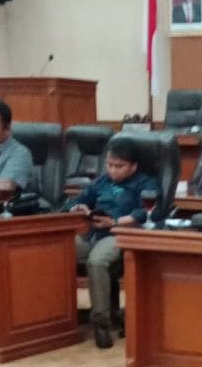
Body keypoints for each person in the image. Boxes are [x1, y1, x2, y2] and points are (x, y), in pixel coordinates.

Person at [67, 137, 159, 349]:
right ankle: (57, 317)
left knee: (97, 261)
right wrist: (79, 207)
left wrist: (115, 222)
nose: (113, 170)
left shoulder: (145, 183)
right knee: (58, 248)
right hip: (93, 233)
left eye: (119, 166)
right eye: (109, 165)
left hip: (121, 235)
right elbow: (77, 200)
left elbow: (146, 213)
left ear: (133, 166)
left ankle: (101, 322)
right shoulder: (102, 181)